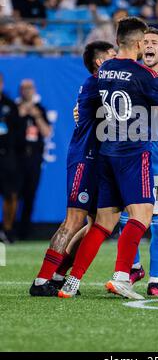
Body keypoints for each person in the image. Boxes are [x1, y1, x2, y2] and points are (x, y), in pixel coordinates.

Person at [58, 16, 158, 299]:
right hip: (134, 153)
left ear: (118, 41)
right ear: (138, 43)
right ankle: (121, 276)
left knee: (103, 223)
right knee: (143, 214)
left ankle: (71, 282)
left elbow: (87, 108)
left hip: (106, 152)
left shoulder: (105, 69)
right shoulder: (144, 76)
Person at [30, 41, 116, 296]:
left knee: (94, 224)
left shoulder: (103, 85)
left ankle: (58, 274)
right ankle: (41, 280)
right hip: (85, 158)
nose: (119, 58)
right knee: (74, 219)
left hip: (98, 159)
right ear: (101, 62)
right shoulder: (96, 83)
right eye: (113, 56)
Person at [120, 28, 158, 297]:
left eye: (154, 42)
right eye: (144, 42)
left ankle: (154, 280)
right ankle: (135, 267)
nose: (148, 46)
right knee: (126, 219)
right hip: (134, 154)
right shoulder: (132, 75)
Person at [17, 79, 52, 240]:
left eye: (30, 88)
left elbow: (47, 132)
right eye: (24, 88)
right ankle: (10, 229)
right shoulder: (14, 108)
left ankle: (25, 231)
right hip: (17, 158)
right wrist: (20, 114)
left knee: (30, 194)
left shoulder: (40, 109)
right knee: (14, 194)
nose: (27, 91)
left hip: (34, 158)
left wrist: (36, 116)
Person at [0, 73, 20, 244]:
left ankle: (7, 230)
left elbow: (18, 132)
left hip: (7, 157)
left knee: (11, 195)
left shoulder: (9, 105)